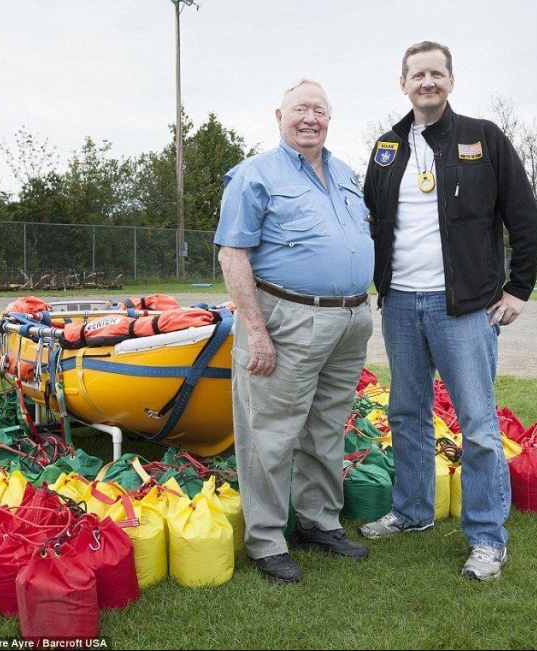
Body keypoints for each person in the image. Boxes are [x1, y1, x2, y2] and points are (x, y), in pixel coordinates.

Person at [359, 42, 537, 581]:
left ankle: (487, 537)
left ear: (451, 80)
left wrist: (519, 289)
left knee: (479, 425)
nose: (427, 82)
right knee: (406, 414)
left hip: (464, 309)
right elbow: (368, 220)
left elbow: (525, 216)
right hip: (400, 305)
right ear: (404, 83)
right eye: (418, 74)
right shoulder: (386, 147)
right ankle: (413, 512)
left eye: (436, 73)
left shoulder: (483, 138)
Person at [215, 79, 374, 584]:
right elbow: (233, 253)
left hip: (350, 320)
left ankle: (319, 522)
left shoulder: (346, 173)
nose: (311, 118)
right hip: (288, 318)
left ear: (330, 119)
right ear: (279, 114)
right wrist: (255, 330)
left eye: (320, 110)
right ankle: (266, 539)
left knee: (328, 426)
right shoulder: (254, 175)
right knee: (271, 431)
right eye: (301, 109)